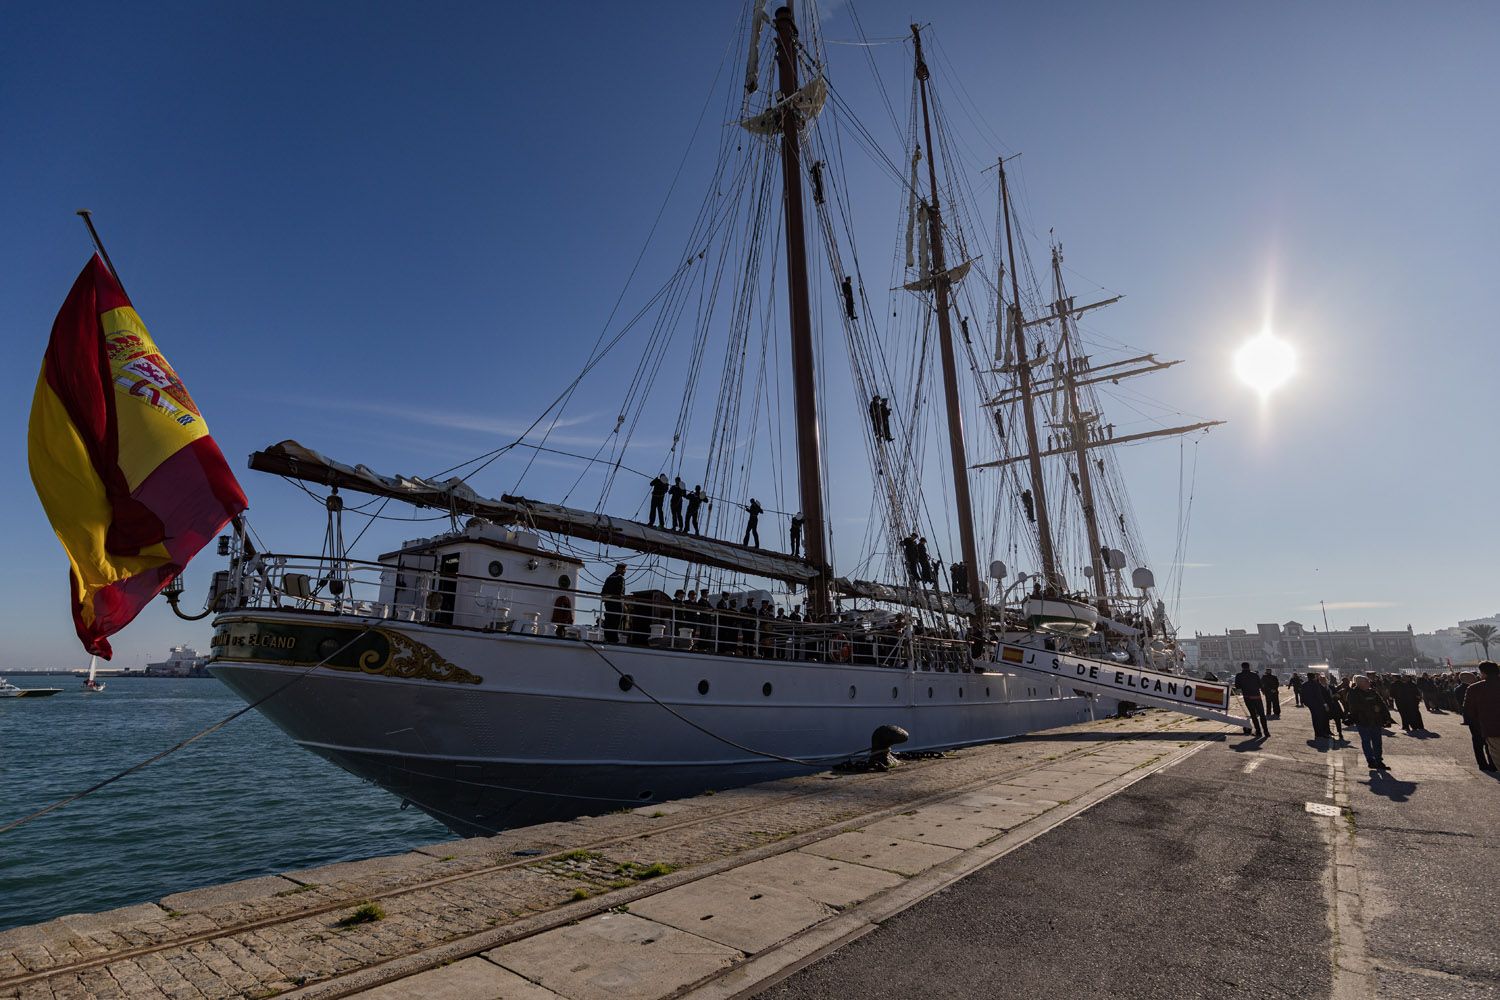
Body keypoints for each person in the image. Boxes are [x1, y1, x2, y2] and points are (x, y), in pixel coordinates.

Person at [1347, 675, 1389, 770]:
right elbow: (1354, 708)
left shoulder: (1372, 692)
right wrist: (1372, 708)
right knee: (1366, 741)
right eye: (1366, 682)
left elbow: (1381, 703)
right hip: (1363, 721)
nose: (1369, 683)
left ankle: (1379, 760)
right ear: (1360, 683)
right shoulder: (1353, 693)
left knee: (1377, 742)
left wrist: (1385, 716)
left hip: (1375, 720)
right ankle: (1370, 760)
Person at [1464, 661, 1500, 769]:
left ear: (1483, 673)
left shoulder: (1474, 688)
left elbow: (1469, 711)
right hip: (1491, 728)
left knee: (1498, 758)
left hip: (1491, 729)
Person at [1235, 662, 1269, 738]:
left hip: (1248, 697)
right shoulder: (1254, 674)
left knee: (1253, 715)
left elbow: (1237, 686)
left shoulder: (1239, 675)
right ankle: (1266, 732)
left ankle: (1258, 731)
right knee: (1262, 714)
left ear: (1242, 667)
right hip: (1257, 697)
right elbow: (1260, 685)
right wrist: (1263, 691)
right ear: (1249, 666)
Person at [1304, 674, 1337, 741]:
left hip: (1311, 705)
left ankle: (1318, 733)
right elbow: (1319, 695)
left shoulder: (1304, 684)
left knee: (1315, 719)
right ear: (1313, 678)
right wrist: (1324, 704)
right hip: (1318, 704)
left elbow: (1302, 695)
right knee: (1320, 719)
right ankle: (1322, 733)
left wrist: (1306, 703)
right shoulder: (1315, 684)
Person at [601, 563, 627, 643]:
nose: (625, 572)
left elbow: (603, 592)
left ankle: (607, 637)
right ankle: (614, 639)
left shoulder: (609, 578)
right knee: (616, 622)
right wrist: (624, 604)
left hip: (608, 603)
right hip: (617, 604)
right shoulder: (620, 578)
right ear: (620, 569)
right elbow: (620, 592)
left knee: (609, 621)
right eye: (624, 570)